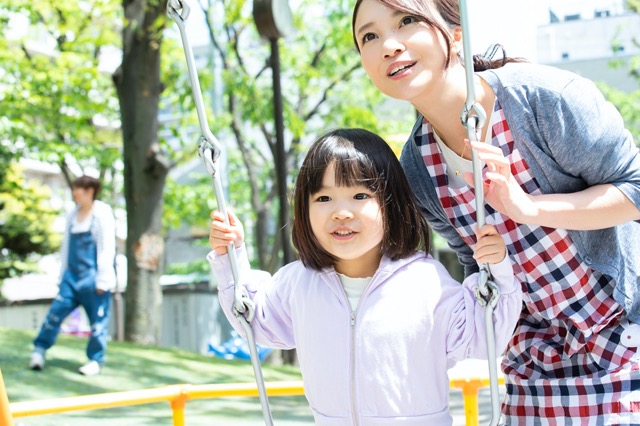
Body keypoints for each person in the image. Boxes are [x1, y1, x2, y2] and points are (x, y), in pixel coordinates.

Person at [352, 1, 640, 423]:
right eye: (369, 36)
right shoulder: (416, 168)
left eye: (407, 21)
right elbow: (476, 265)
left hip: (622, 333)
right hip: (533, 360)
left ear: (454, 32)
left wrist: (529, 208)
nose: (388, 46)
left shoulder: (543, 100)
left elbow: (634, 189)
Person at [207, 128, 521, 424]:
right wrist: (231, 256)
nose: (341, 212)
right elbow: (257, 322)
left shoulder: (425, 282)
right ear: (304, 210)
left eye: (359, 196)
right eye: (323, 198)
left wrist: (498, 272)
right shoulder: (299, 282)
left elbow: (484, 338)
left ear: (391, 205)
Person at [29, 175, 116, 376]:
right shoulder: (72, 215)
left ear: (90, 191)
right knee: (55, 314)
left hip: (93, 279)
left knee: (98, 322)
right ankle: (39, 350)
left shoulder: (102, 213)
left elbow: (106, 247)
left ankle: (95, 359)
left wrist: (103, 278)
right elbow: (66, 247)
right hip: (71, 278)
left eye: (78, 189)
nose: (75, 193)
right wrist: (62, 277)